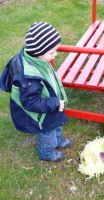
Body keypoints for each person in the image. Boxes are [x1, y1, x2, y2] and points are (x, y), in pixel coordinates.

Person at [0, 22, 72, 162]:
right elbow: (30, 102)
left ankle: (57, 141)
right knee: (48, 131)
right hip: (43, 113)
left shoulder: (38, 60)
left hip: (51, 104)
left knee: (57, 122)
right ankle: (46, 153)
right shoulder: (29, 78)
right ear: (39, 51)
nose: (55, 54)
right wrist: (55, 103)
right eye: (51, 52)